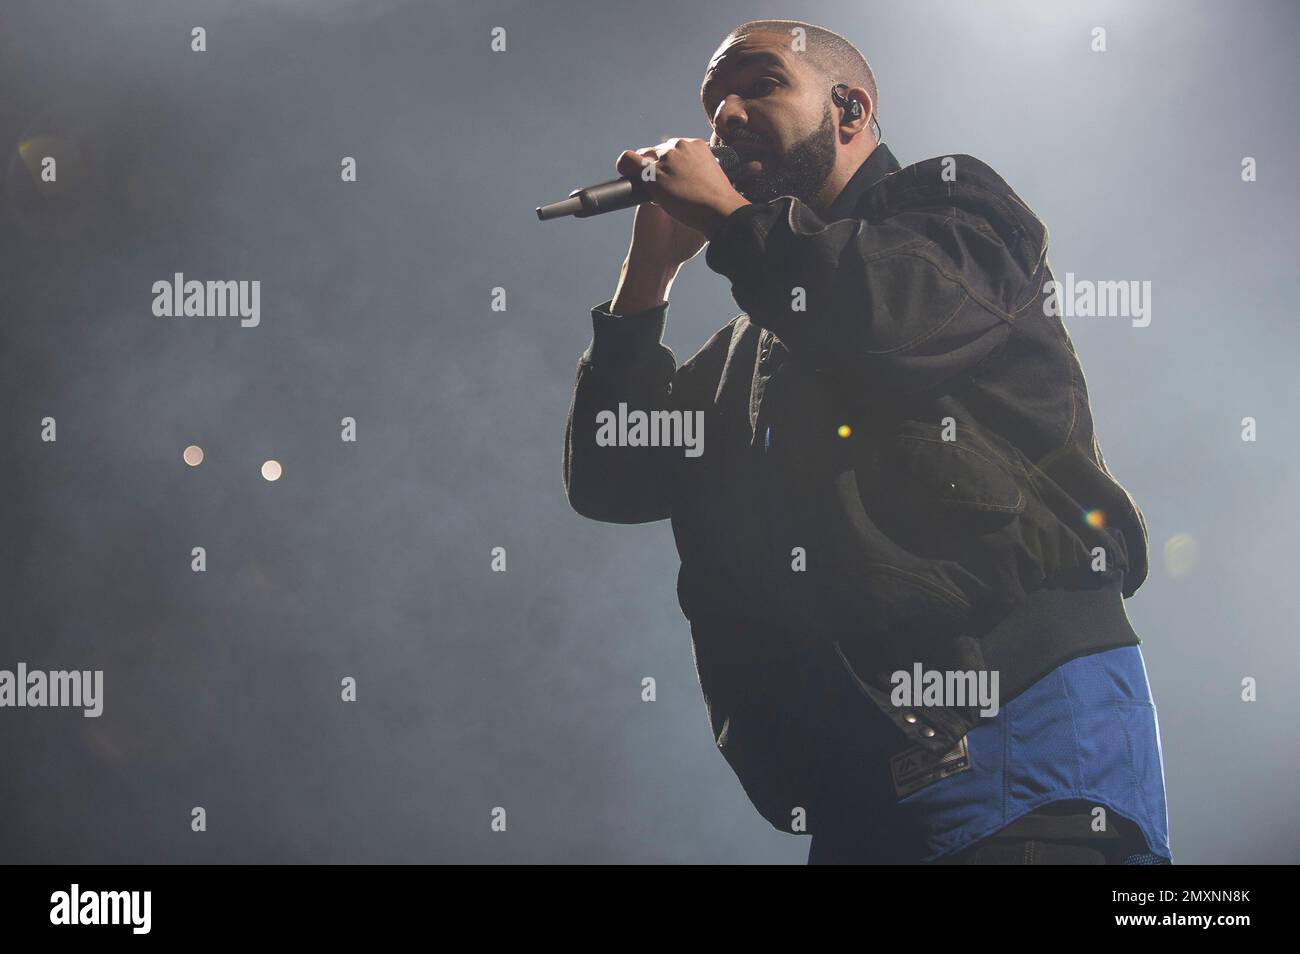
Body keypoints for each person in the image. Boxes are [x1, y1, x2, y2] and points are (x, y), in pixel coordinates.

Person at [562, 18, 1171, 864]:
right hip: (857, 782)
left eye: (761, 84)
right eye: (714, 101)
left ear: (849, 108)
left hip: (1018, 739)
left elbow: (888, 324)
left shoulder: (955, 214)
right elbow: (614, 479)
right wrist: (647, 280)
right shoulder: (750, 347)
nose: (726, 114)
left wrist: (734, 222)